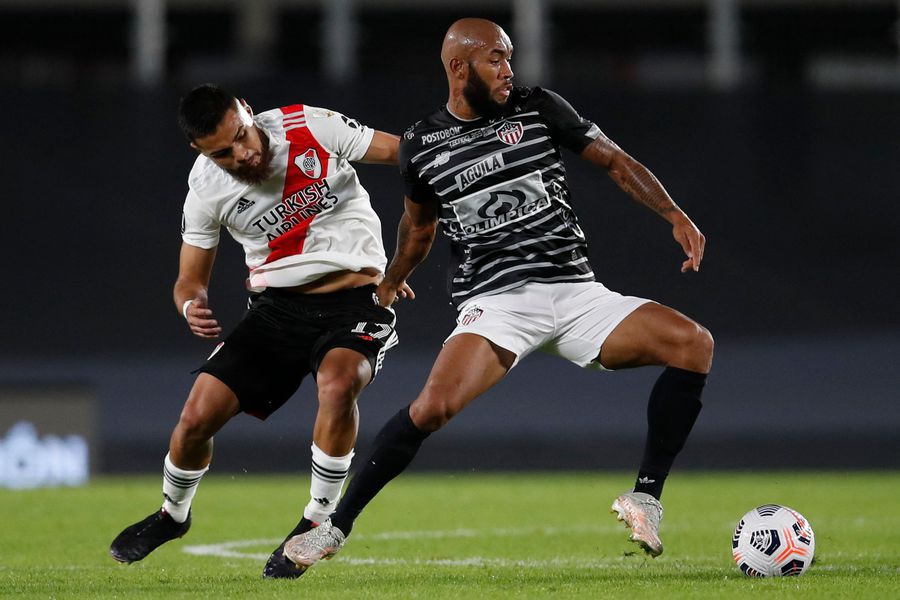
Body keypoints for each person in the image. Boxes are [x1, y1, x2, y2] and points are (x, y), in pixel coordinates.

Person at [283, 17, 714, 572]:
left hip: (578, 292)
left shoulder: (539, 108)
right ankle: (333, 529)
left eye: (509, 57)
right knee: (431, 408)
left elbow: (613, 159)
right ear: (459, 67)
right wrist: (391, 280)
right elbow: (419, 229)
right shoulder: (423, 145)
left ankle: (645, 497)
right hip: (498, 303)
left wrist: (673, 213)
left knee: (693, 344)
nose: (508, 70)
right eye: (495, 59)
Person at [108, 84, 410, 579]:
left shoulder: (309, 125)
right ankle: (172, 516)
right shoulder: (206, 187)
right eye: (222, 152)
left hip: (356, 300)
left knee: (338, 384)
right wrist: (191, 305)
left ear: (248, 111)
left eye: (241, 137)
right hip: (276, 310)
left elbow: (407, 155)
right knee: (194, 418)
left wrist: (401, 265)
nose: (242, 154)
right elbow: (189, 279)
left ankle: (314, 523)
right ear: (199, 151)